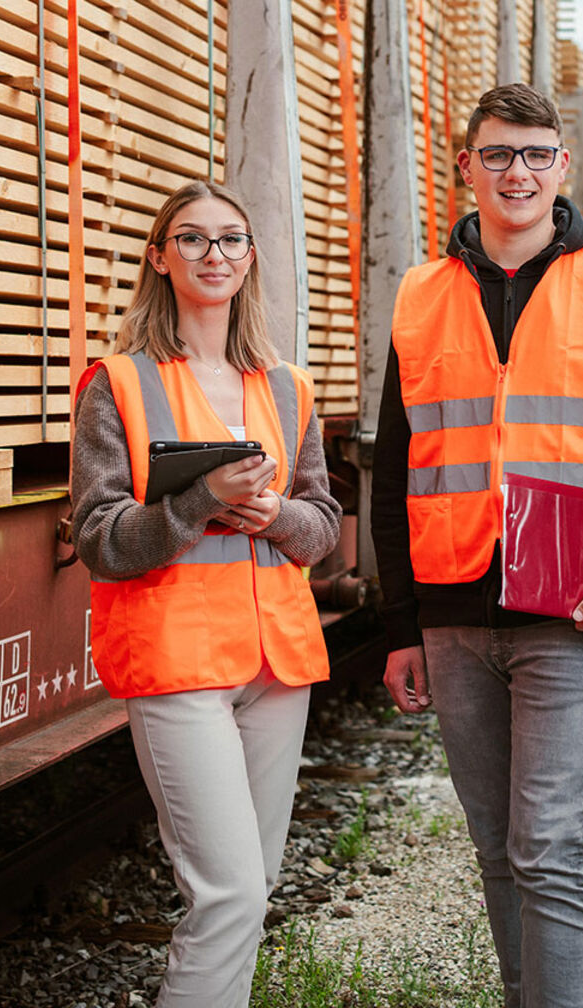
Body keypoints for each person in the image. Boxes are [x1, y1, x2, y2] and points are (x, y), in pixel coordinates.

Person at [373, 83, 583, 1007]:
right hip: (452, 619)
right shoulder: (420, 295)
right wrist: (401, 625)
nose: (515, 172)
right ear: (466, 168)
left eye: (533, 154)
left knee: (548, 848)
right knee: (495, 849)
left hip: (573, 614)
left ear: (562, 165)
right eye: (497, 155)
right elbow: (395, 474)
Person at [71, 180, 340, 1008]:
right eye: (191, 239)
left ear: (250, 257)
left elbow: (324, 527)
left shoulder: (288, 387)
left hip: (276, 665)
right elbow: (100, 541)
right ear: (160, 257)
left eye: (229, 240)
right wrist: (198, 501)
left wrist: (275, 513)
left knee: (251, 889)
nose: (212, 255)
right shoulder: (116, 385)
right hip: (178, 659)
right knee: (227, 896)